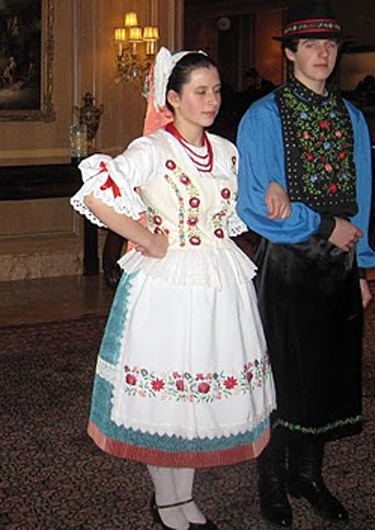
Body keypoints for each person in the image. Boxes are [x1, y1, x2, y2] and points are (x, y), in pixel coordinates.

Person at [70, 47, 276, 530]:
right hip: (167, 286)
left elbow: (239, 208)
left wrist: (270, 194)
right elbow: (96, 193)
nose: (211, 100)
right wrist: (144, 237)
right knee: (166, 399)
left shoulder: (225, 151)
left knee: (197, 397)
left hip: (219, 282)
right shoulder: (152, 150)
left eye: (217, 90)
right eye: (200, 91)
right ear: (173, 97)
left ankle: (183, 498)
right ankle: (167, 501)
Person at [236, 1, 375, 527]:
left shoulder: (353, 117)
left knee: (326, 373)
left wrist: (359, 267)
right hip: (290, 263)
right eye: (311, 44)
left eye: (331, 44)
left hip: (339, 263)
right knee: (282, 375)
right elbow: (254, 203)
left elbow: (359, 200)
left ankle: (308, 475)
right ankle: (272, 481)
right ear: (290, 52)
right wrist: (322, 226)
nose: (322, 53)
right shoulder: (264, 116)